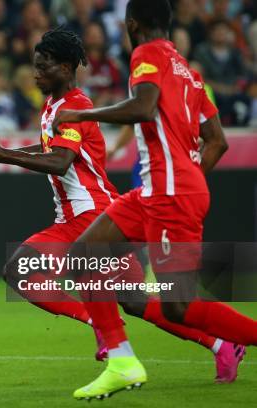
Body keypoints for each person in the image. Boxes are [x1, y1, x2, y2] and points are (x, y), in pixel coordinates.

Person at [0, 27, 244, 393]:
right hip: (72, 217)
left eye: (42, 66)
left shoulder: (78, 106)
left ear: (66, 68)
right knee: (134, 301)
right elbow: (51, 151)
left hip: (92, 214)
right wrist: (1, 150)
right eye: (34, 66)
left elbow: (61, 162)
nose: (35, 74)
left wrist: (2, 155)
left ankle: (109, 335)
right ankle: (221, 343)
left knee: (23, 270)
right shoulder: (52, 106)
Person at [51, 0, 257, 399]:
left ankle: (236, 339)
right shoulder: (190, 73)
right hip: (156, 191)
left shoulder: (146, 53)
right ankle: (122, 360)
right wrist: (189, 179)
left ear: (131, 24)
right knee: (83, 255)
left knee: (178, 305)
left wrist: (82, 116)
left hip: (169, 193)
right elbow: (218, 141)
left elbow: (144, 107)